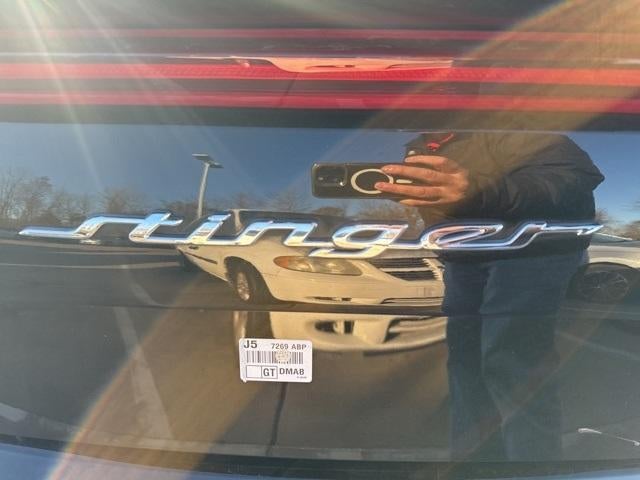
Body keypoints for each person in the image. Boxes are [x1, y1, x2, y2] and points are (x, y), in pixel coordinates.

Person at [375, 132, 604, 461]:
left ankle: (531, 465)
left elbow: (573, 179)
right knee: (465, 362)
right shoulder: (422, 143)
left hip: (532, 253)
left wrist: (477, 190)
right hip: (463, 256)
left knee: (513, 362)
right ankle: (471, 464)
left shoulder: (514, 123)